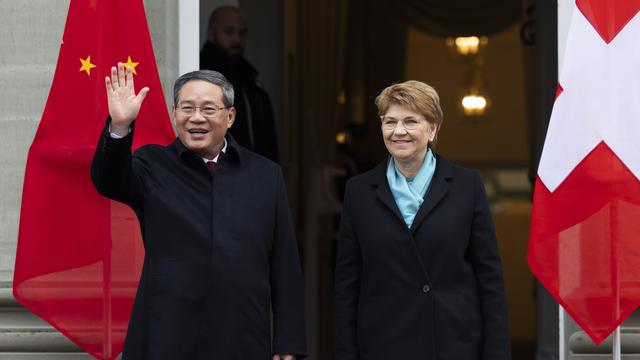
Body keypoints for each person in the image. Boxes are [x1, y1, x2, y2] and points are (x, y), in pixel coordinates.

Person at [91, 63, 306, 359]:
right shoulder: (152, 165)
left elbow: (284, 264)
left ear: (230, 117)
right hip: (168, 333)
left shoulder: (264, 174)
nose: (196, 118)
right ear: (174, 114)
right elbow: (108, 181)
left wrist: (289, 342)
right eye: (187, 108)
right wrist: (120, 127)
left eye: (208, 109)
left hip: (241, 334)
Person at [334, 81, 511, 359]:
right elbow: (347, 285)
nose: (398, 131)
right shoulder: (359, 192)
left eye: (410, 121)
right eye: (389, 121)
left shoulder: (467, 186)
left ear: (433, 128)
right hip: (383, 345)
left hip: (452, 344)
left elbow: (489, 280)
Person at [200, 5, 279, 163]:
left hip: (252, 173)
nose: (237, 39)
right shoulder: (199, 78)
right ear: (211, 34)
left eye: (241, 33)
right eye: (229, 32)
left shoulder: (251, 83)